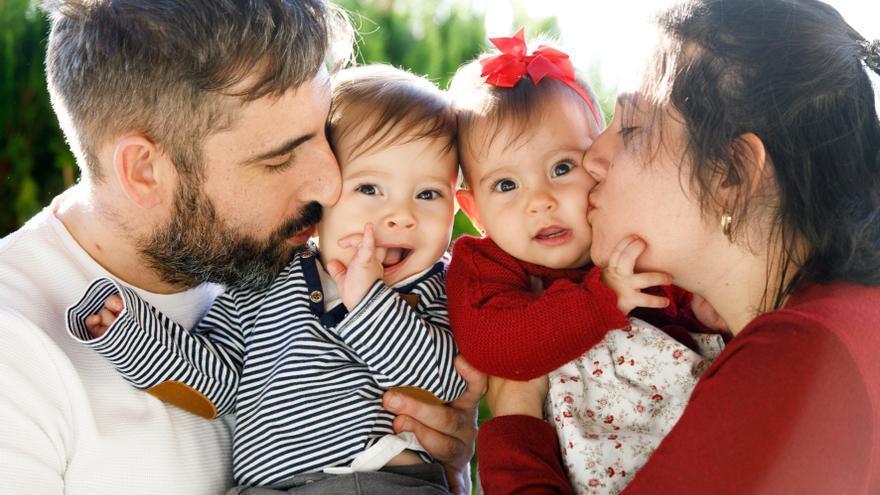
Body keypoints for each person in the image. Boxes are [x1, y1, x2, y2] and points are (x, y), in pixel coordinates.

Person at [0, 2, 482, 494]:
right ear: (145, 170)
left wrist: (447, 462)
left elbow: (439, 379)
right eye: (279, 157)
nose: (330, 183)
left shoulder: (278, 257)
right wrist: (126, 332)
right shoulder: (15, 352)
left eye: (324, 137)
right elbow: (214, 376)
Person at [476, 0, 880, 493]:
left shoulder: (801, 364)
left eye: (630, 128)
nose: (592, 160)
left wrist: (514, 419)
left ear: (729, 173)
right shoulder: (843, 323)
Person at [446, 30, 726, 494]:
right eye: (506, 186)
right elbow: (496, 347)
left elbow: (681, 304)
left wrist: (701, 309)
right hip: (574, 472)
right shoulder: (486, 265)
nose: (540, 201)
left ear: (597, 163)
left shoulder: (630, 239)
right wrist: (603, 301)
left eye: (561, 168)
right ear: (474, 210)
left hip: (690, 450)